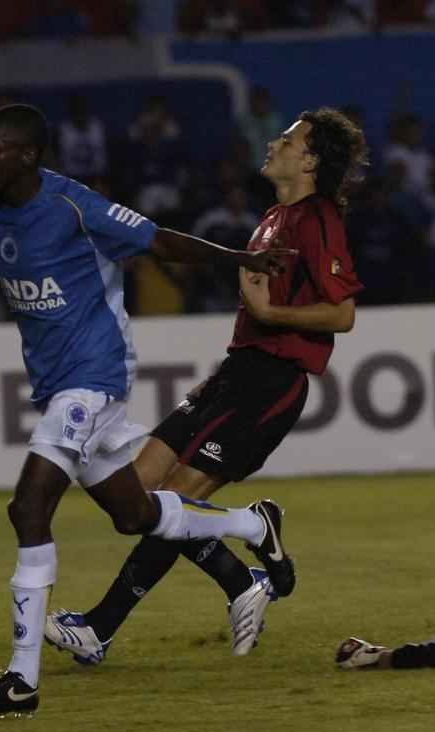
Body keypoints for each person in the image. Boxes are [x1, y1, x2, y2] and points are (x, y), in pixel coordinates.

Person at [0, 103, 296, 717]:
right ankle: (253, 527)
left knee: (28, 506)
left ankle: (21, 679)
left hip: (95, 378)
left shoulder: (76, 205)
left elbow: (160, 241)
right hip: (57, 384)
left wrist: (240, 259)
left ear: (28, 155)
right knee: (135, 514)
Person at [46, 108, 367, 663]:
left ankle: (99, 628)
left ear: (310, 161)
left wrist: (272, 313)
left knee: (177, 500)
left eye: (288, 139)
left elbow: (342, 315)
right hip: (235, 374)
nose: (274, 143)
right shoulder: (272, 217)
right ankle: (243, 575)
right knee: (137, 497)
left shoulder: (317, 220)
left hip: (273, 382)